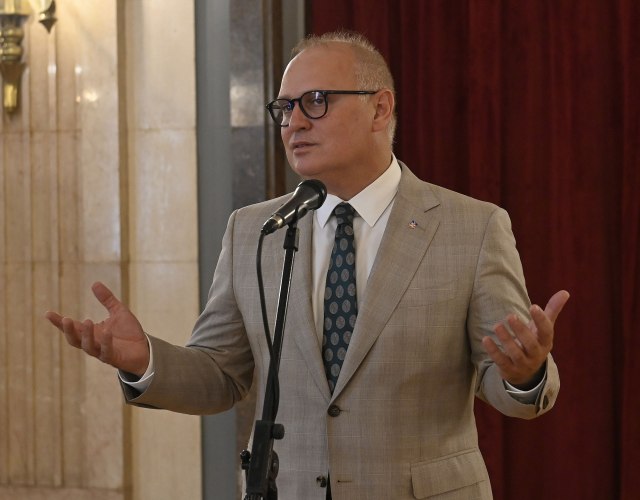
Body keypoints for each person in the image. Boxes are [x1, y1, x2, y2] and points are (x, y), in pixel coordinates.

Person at [46, 31, 569, 500]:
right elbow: (221, 375)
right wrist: (146, 360)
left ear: (380, 109)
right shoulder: (253, 230)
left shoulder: (471, 228)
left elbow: (506, 384)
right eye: (284, 107)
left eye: (316, 102)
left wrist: (524, 374)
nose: (293, 122)